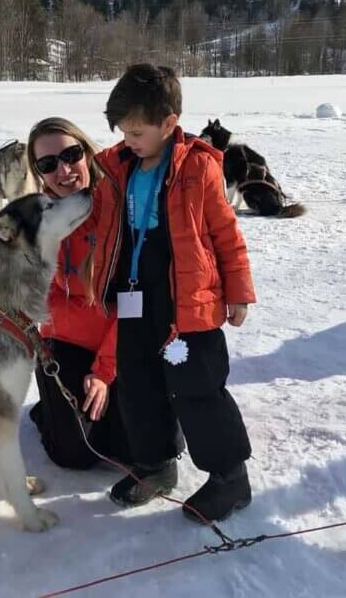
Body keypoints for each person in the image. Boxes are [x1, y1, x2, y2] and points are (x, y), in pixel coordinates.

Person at [86, 63, 257, 521]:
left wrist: (238, 290)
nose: (128, 141)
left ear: (168, 123)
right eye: (123, 132)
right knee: (137, 382)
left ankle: (229, 477)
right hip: (133, 288)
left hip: (187, 296)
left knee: (196, 385)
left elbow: (226, 234)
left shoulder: (198, 166)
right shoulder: (116, 167)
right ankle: (155, 463)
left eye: (137, 132)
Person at [26, 117, 130, 469]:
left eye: (72, 154)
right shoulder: (42, 221)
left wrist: (103, 370)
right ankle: (50, 409)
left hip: (124, 342)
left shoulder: (121, 208)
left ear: (88, 153)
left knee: (135, 448)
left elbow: (134, 303)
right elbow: (46, 298)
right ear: (38, 172)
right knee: (75, 455)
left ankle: (61, 405)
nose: (64, 170)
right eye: (48, 163)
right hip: (68, 345)